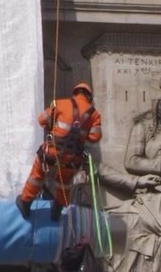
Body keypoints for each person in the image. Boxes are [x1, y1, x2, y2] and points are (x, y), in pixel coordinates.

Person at [16, 82, 102, 220]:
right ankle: (57, 209)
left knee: (38, 174)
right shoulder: (94, 114)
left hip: (52, 154)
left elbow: (41, 120)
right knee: (64, 182)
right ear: (89, 97)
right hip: (72, 160)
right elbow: (95, 137)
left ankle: (25, 202)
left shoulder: (60, 104)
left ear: (75, 93)